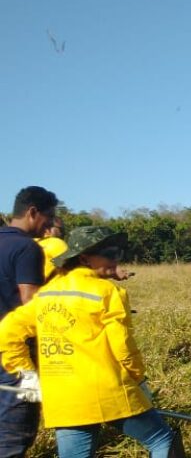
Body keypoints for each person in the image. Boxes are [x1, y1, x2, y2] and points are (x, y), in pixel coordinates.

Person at [0, 226, 183, 457]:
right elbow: (123, 348)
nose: (115, 259)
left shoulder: (45, 294)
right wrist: (139, 380)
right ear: (84, 257)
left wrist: (26, 376)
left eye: (118, 253)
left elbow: (6, 332)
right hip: (110, 392)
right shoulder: (108, 292)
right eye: (108, 253)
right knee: (161, 439)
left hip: (65, 400)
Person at [0, 186, 57, 456]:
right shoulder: (27, 248)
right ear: (33, 212)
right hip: (14, 352)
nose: (49, 226)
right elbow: (31, 303)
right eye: (49, 217)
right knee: (15, 428)